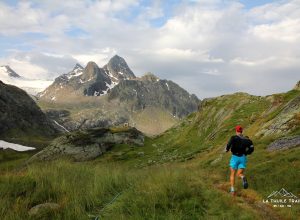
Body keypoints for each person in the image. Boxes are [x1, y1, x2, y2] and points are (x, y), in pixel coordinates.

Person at [226, 125, 254, 195]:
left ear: (236, 131)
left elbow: (229, 144)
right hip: (243, 157)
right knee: (239, 174)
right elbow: (252, 148)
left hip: (235, 157)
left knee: (232, 174)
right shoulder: (248, 140)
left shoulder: (233, 137)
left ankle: (232, 191)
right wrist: (247, 153)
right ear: (242, 131)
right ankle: (243, 177)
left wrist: (227, 149)